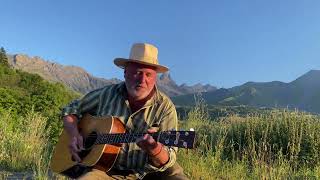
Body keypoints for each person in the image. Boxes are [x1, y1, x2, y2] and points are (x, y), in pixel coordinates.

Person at [61, 43, 189, 179]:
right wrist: (74, 133)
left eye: (148, 74)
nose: (142, 80)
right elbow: (70, 109)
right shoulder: (106, 94)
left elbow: (169, 158)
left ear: (155, 78)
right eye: (137, 73)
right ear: (125, 72)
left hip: (149, 173)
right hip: (105, 170)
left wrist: (154, 149)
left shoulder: (165, 108)